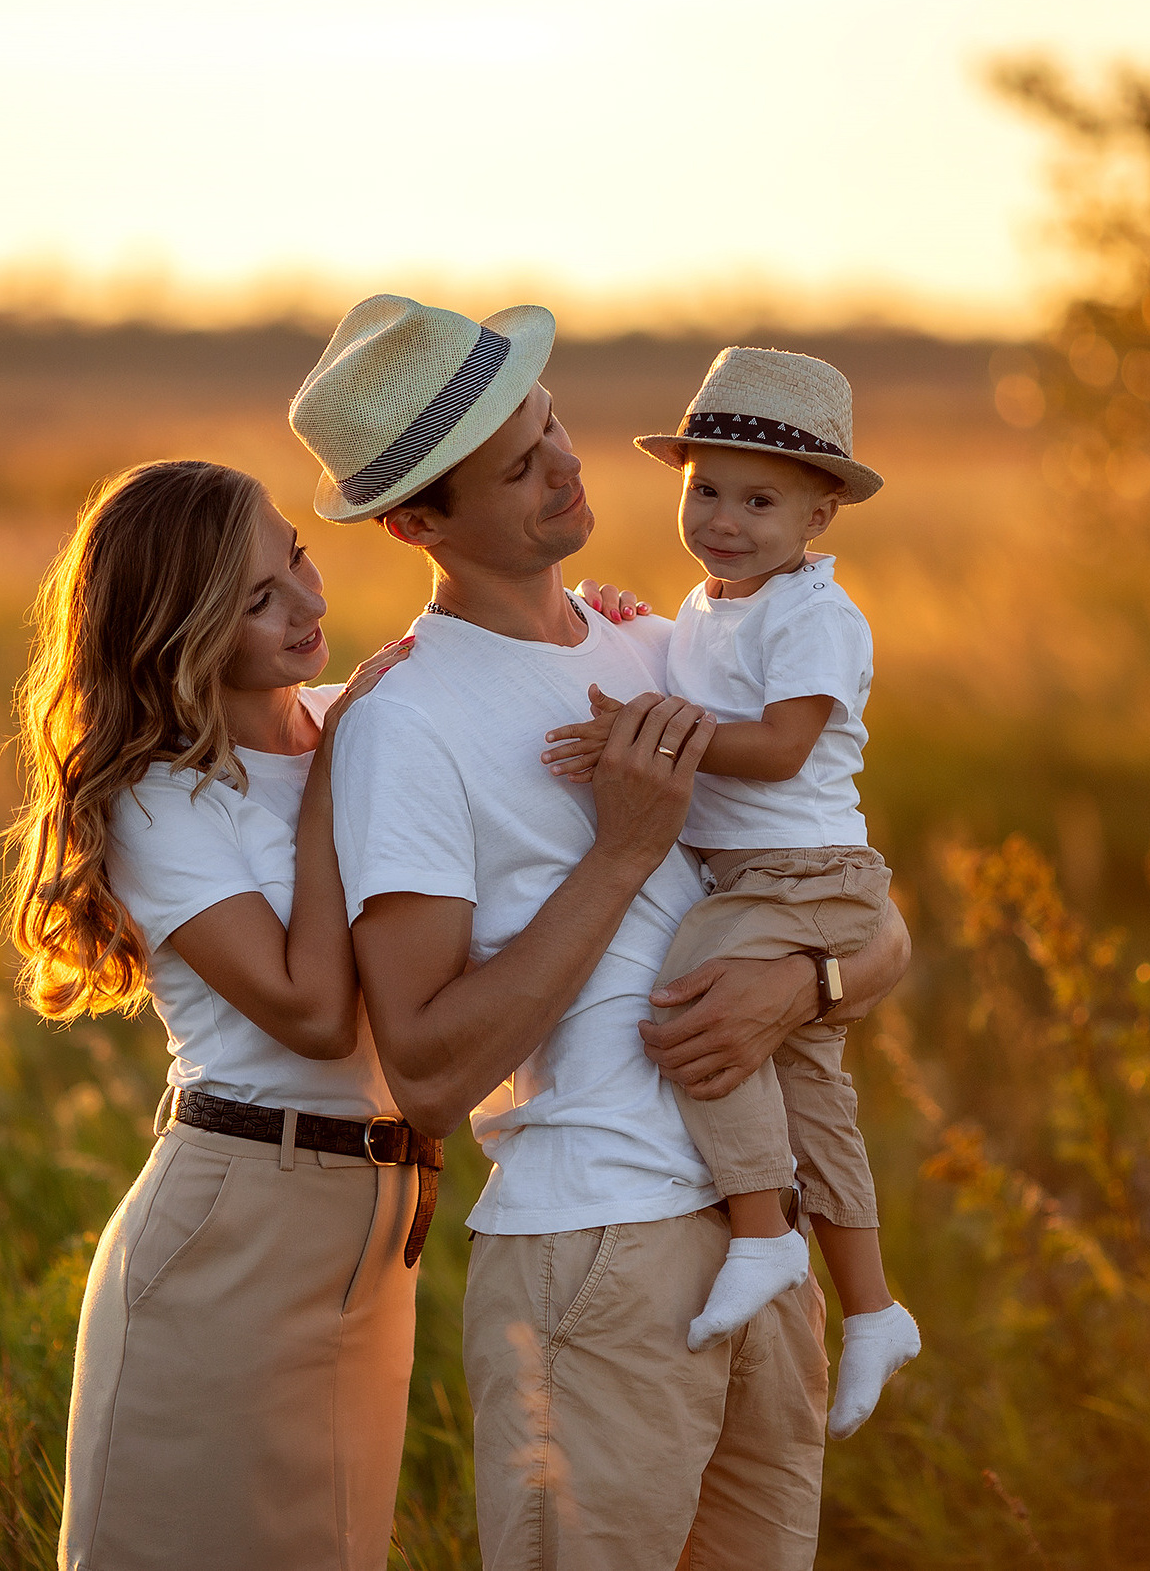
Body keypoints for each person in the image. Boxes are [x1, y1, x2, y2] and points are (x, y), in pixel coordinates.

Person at [289, 295, 912, 1570]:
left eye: (552, 424)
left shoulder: (661, 641)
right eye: (520, 465)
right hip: (597, 1249)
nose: (567, 466)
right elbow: (429, 1073)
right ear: (416, 524)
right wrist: (623, 849)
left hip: (765, 1234)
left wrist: (801, 983)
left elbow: (873, 921)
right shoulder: (406, 722)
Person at [4, 458, 426, 1571]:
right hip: (233, 1229)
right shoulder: (162, 795)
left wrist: (601, 630)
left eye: (298, 557)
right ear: (178, 630)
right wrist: (338, 773)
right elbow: (314, 1014)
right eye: (256, 600)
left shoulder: (357, 720)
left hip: (379, 1230)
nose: (309, 602)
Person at [541, 347, 921, 1438]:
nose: (723, 520)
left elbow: (781, 745)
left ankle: (761, 1232)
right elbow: (707, 672)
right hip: (770, 876)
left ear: (818, 517)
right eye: (705, 489)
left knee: (694, 991)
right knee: (815, 1098)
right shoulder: (711, 606)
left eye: (760, 502)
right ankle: (874, 1308)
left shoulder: (814, 614)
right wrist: (626, 624)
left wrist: (649, 732)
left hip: (803, 875)